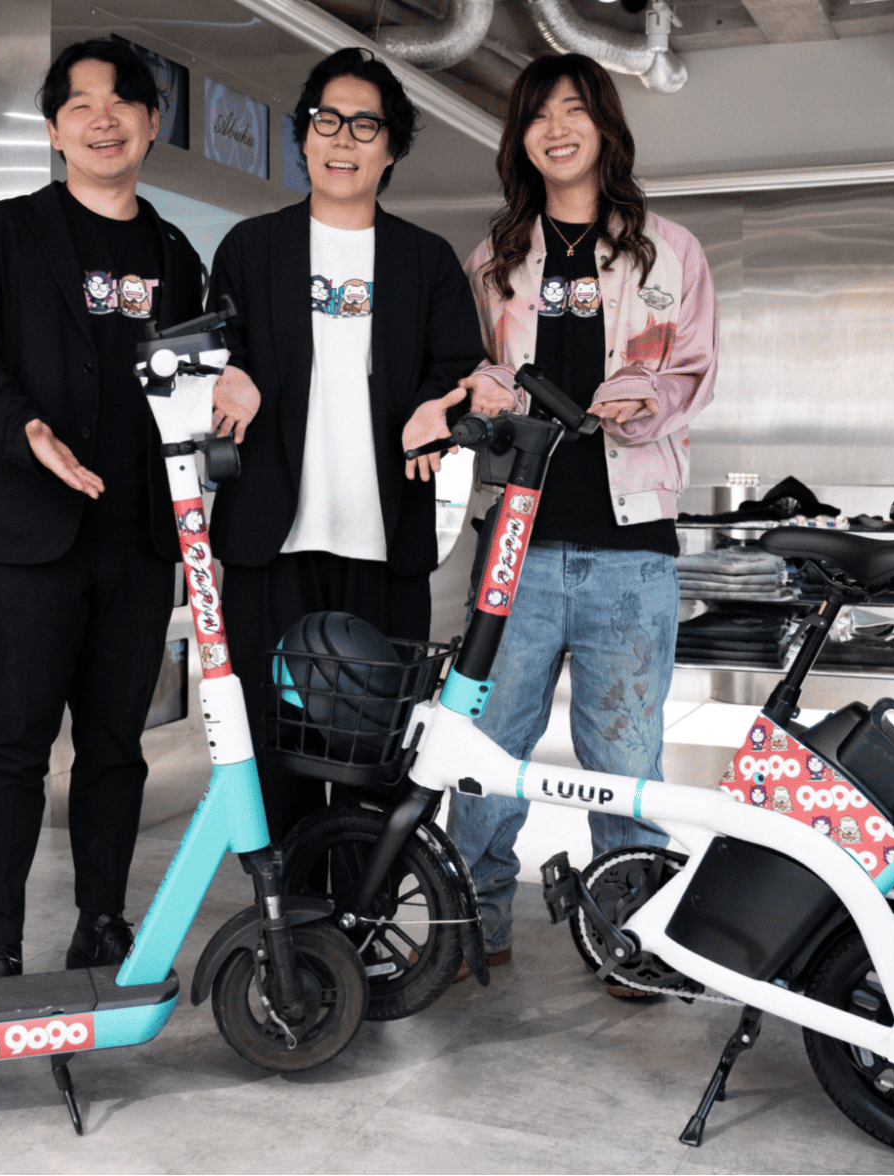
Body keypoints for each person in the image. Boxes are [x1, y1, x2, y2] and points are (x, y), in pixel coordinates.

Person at [445, 53, 718, 990]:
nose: (556, 130)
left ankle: (628, 937)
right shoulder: (492, 260)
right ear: (519, 138)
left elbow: (693, 371)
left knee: (624, 762)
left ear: (604, 126)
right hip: (513, 545)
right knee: (486, 750)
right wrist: (482, 389)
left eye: (573, 111)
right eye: (536, 116)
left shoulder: (668, 251)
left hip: (630, 550)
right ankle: (471, 924)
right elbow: (470, 369)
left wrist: (644, 397)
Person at [0, 39, 206, 980]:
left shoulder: (175, 253)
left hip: (136, 539)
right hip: (28, 536)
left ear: (151, 123)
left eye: (123, 101)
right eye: (81, 104)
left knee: (114, 746)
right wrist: (28, 431)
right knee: (13, 742)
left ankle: (101, 919)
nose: (103, 118)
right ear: (54, 130)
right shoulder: (2, 232)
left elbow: (191, 379)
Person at [204, 47, 484, 841]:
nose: (342, 139)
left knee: (375, 751)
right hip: (271, 543)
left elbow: (456, 369)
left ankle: (362, 907)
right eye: (326, 120)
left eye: (365, 125)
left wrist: (434, 406)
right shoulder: (250, 248)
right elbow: (214, 348)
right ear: (302, 136)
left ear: (390, 148)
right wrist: (227, 371)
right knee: (274, 745)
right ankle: (285, 905)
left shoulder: (424, 260)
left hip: (383, 543)